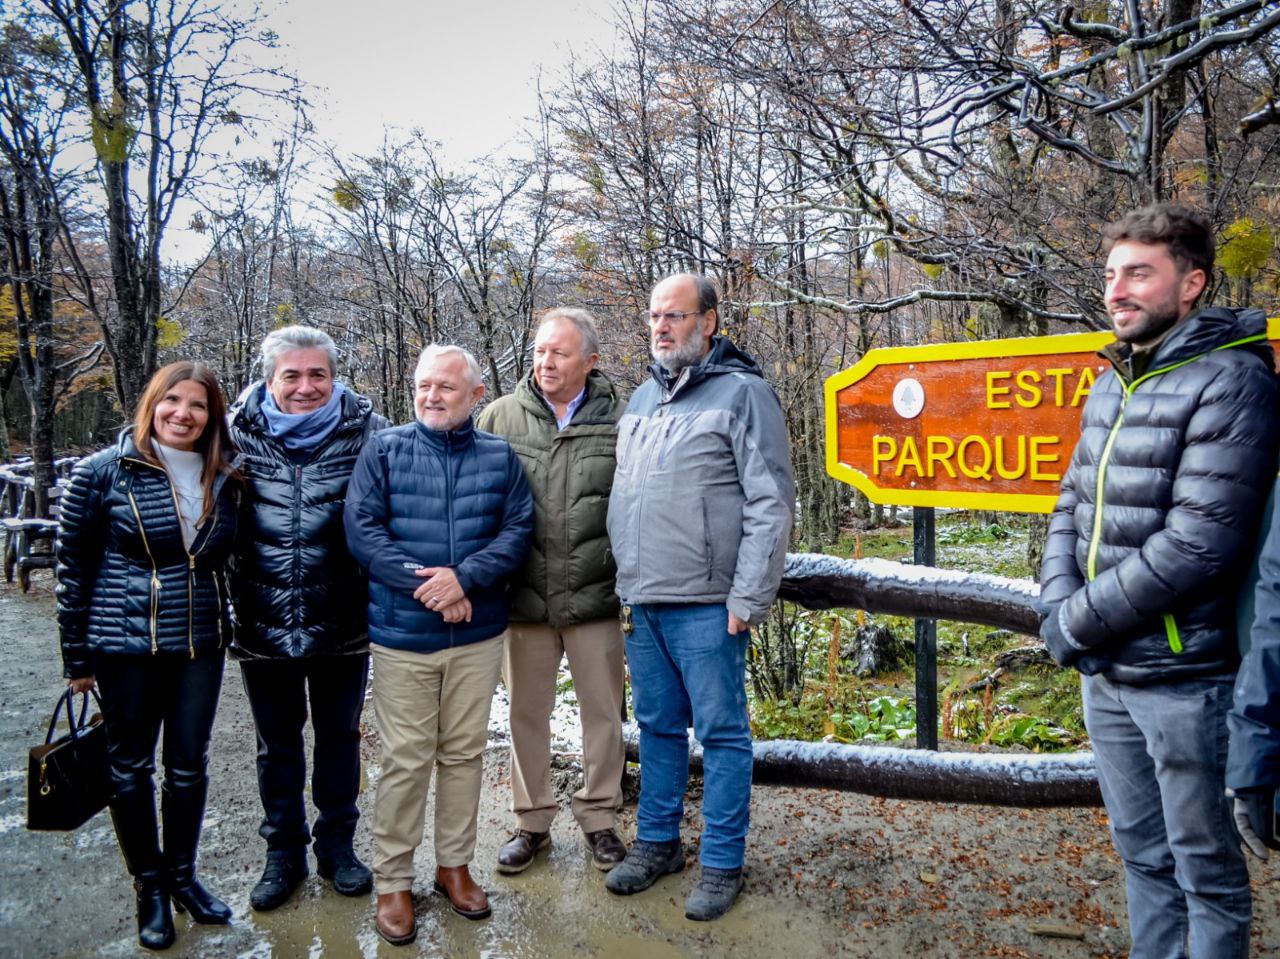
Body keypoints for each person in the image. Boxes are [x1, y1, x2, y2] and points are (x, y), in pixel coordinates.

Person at [1038, 203, 1280, 959]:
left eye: (1139, 273)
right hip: (1107, 673)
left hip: (1186, 678)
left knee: (1205, 873)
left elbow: (1199, 543)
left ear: (1193, 282)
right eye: (1112, 274)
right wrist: (1055, 601)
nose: (1117, 290)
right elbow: (1072, 500)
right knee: (1142, 858)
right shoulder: (1114, 378)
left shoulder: (1234, 378)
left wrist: (1076, 621)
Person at [604, 273, 795, 921]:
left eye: (675, 315)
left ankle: (720, 861)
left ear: (709, 321)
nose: (661, 326)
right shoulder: (638, 401)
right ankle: (657, 842)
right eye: (654, 316)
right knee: (657, 728)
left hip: (711, 605)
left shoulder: (744, 394)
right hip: (642, 599)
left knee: (721, 734)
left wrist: (748, 595)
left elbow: (772, 502)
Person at [344, 344, 534, 946]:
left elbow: (517, 531)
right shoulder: (385, 450)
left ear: (476, 395)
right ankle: (394, 880)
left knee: (463, 753)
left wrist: (466, 579)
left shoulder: (500, 458)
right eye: (424, 385)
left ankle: (454, 865)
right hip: (404, 636)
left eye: (446, 387)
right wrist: (430, 588)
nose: (431, 396)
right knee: (405, 758)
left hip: (477, 636)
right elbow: (362, 531)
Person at [57, 362, 241, 951]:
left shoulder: (226, 476)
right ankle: (150, 887)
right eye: (173, 401)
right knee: (130, 766)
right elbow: (73, 570)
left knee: (189, 765)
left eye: (198, 405)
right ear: (152, 404)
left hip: (198, 643)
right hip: (123, 644)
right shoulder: (103, 473)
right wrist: (76, 658)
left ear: (213, 416)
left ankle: (184, 878)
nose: (183, 414)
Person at [228, 325, 389, 911]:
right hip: (262, 620)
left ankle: (338, 847)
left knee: (340, 738)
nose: (304, 387)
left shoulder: (370, 433)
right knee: (277, 746)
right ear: (270, 380)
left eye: (316, 374)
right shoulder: (232, 435)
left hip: (343, 621)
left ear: (334, 376)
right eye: (291, 375)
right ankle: (283, 854)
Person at [476, 308, 628, 875]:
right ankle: (531, 823)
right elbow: (477, 503)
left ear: (590, 360)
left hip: (596, 596)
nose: (545, 362)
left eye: (560, 353)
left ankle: (599, 819)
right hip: (523, 601)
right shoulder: (499, 418)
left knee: (603, 715)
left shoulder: (622, 418)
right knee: (525, 715)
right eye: (540, 350)